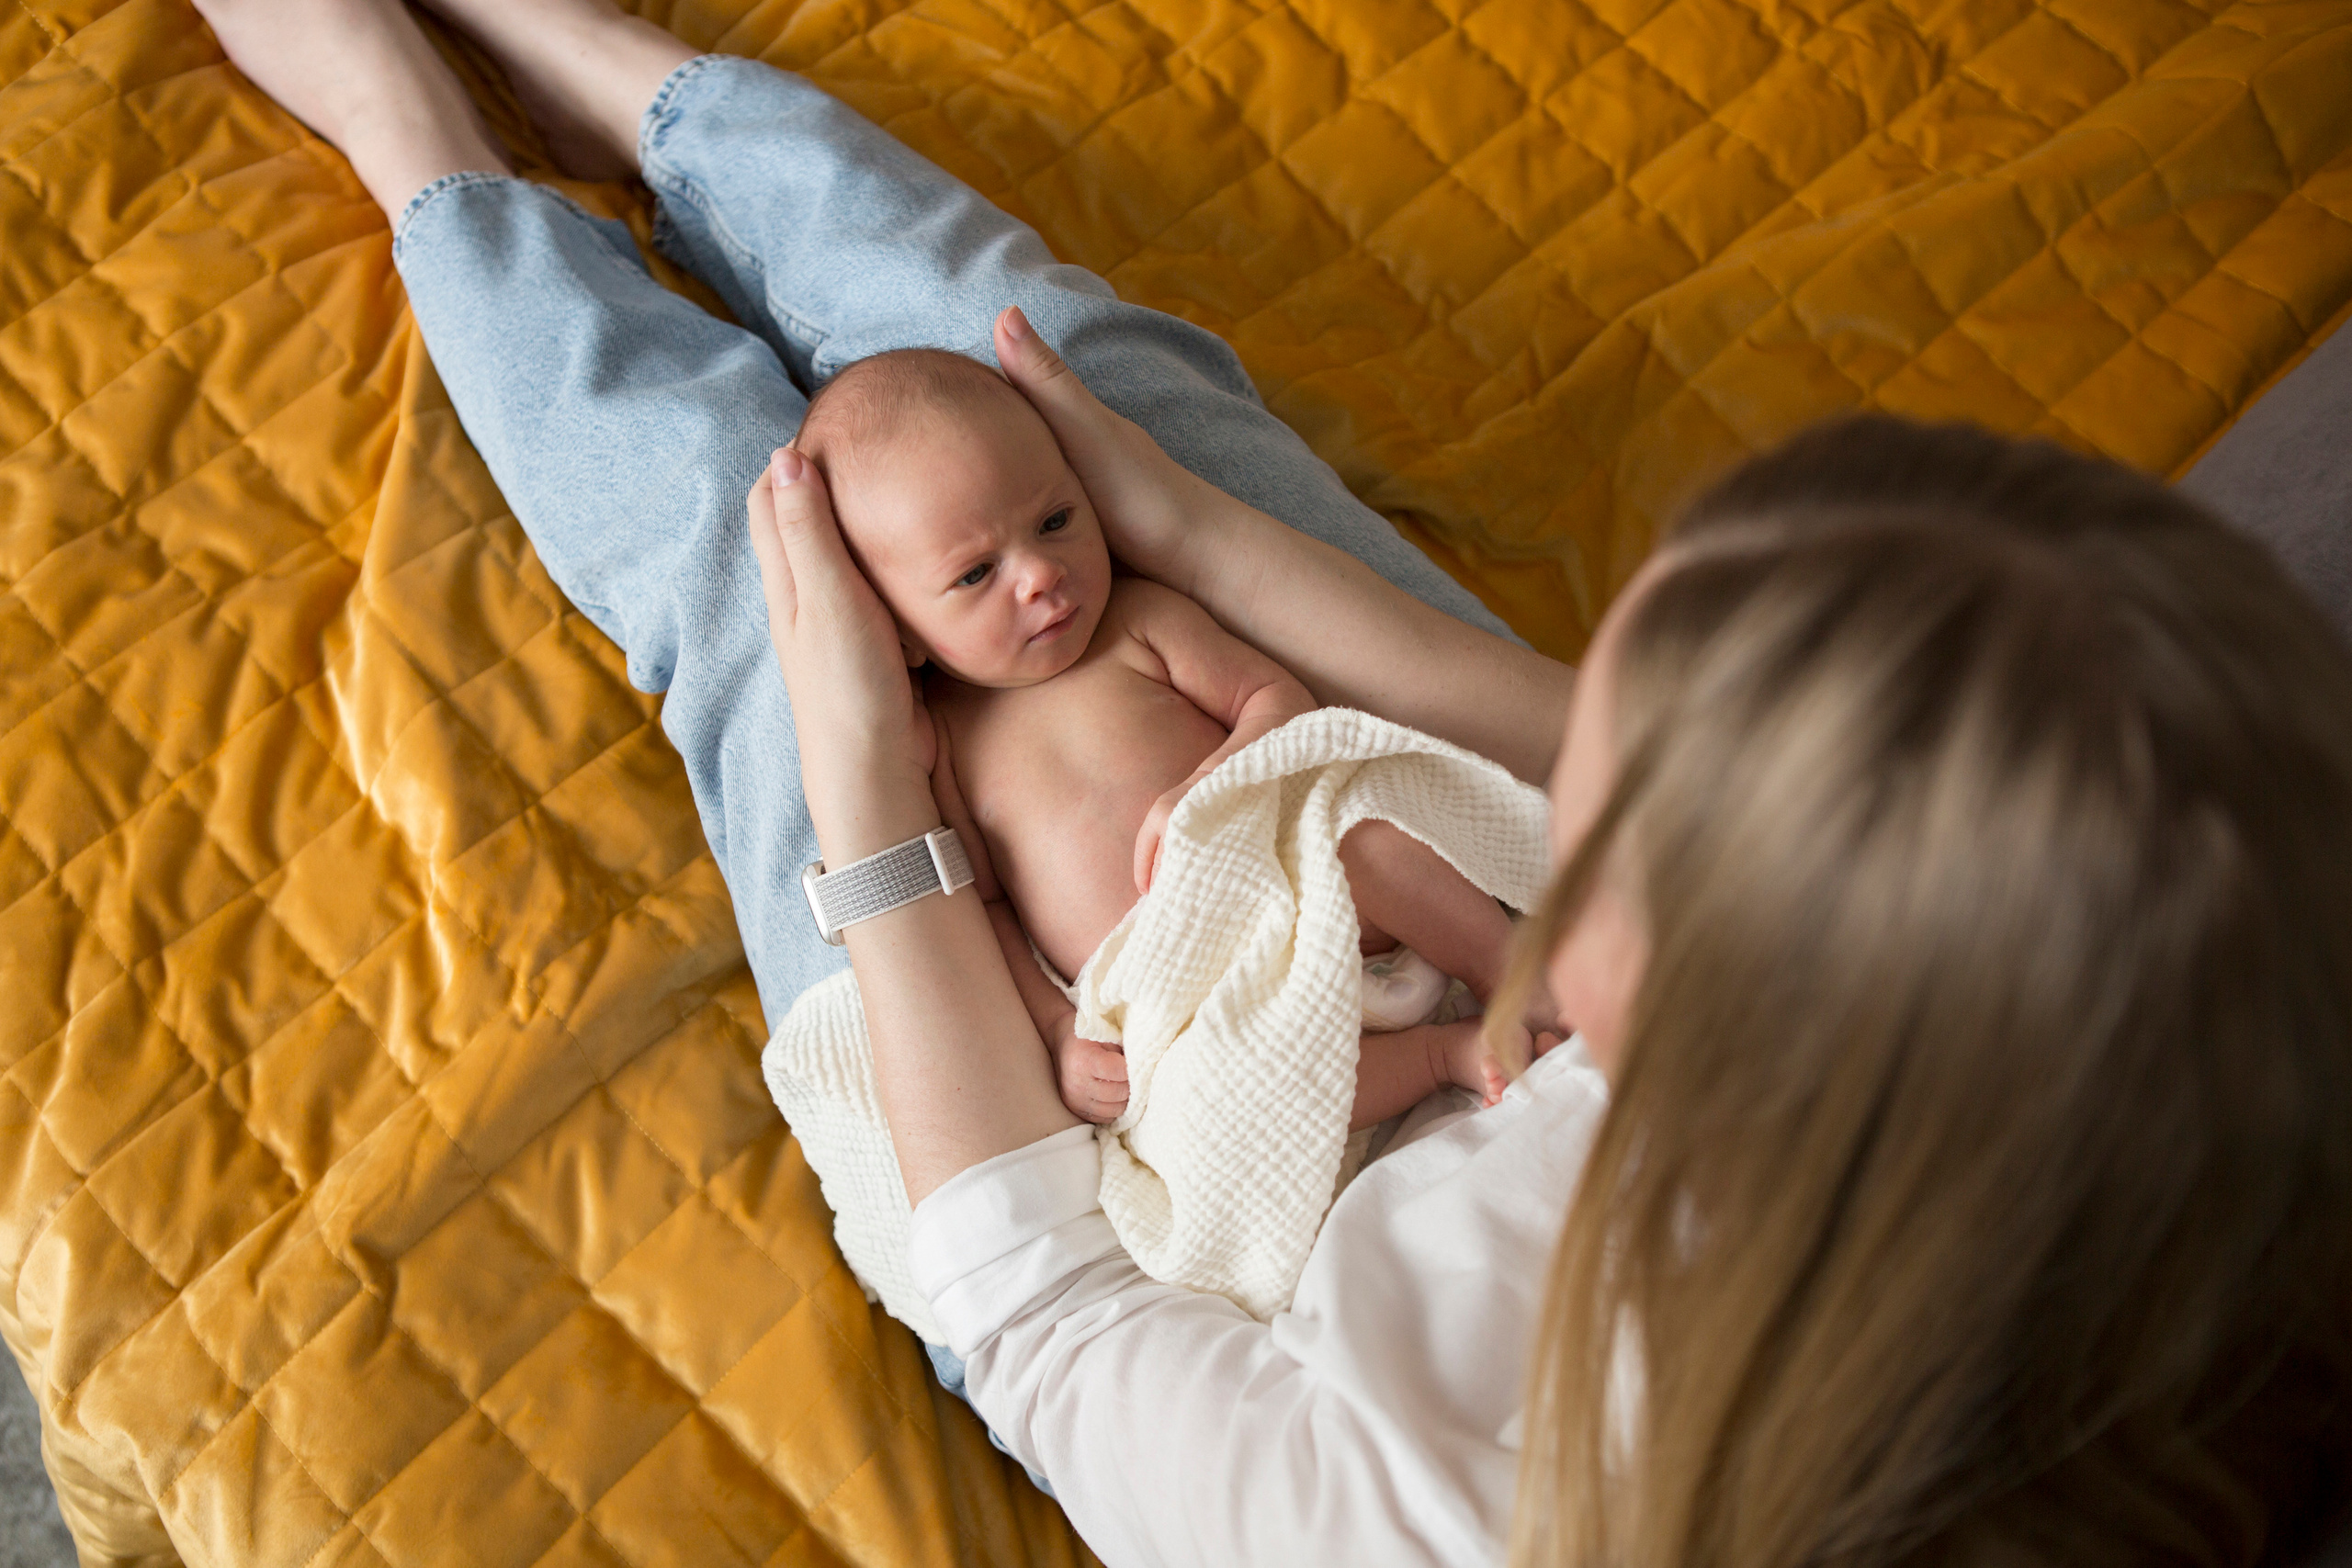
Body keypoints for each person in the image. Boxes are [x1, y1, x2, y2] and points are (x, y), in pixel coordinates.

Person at [197, 3, 2352, 1565]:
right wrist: (1199, 549)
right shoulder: (2107, 1049)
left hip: (1109, 1132)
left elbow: (1034, 1286)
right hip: (1340, 847)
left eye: (1616, 761)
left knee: (742, 550)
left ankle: (422, 152)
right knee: (1050, 368)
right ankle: (617, 80)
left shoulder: (1393, 1510)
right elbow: (1492, 723)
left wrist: (873, 794)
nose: (1562, 722)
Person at [793, 346, 1548, 1124]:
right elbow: (985, 912)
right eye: (976, 574)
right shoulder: (944, 745)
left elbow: (1274, 698)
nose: (1040, 575)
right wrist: (1057, 1032)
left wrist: (1205, 784)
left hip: (1323, 894)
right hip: (1203, 999)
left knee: (1373, 834)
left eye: (1056, 522)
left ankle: (1509, 971)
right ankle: (1441, 1056)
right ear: (899, 633)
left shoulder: (1135, 621)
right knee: (1213, 1094)